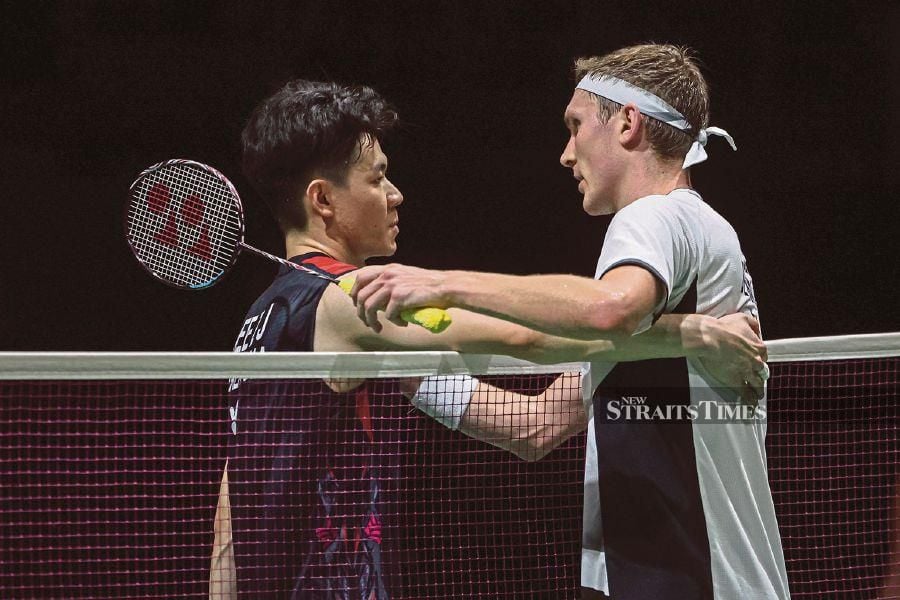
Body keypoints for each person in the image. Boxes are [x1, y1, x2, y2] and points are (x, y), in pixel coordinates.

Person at [210, 78, 769, 599]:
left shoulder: (262, 324)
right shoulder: (354, 305)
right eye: (378, 178)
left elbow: (530, 426)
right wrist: (687, 331)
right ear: (323, 200)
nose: (396, 194)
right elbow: (531, 334)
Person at [350, 44, 790, 600]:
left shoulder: (654, 217)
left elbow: (609, 310)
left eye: (576, 126)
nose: (566, 153)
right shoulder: (699, 243)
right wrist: (405, 368)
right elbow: (534, 426)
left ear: (628, 124)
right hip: (694, 577)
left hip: (688, 577)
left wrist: (442, 283)